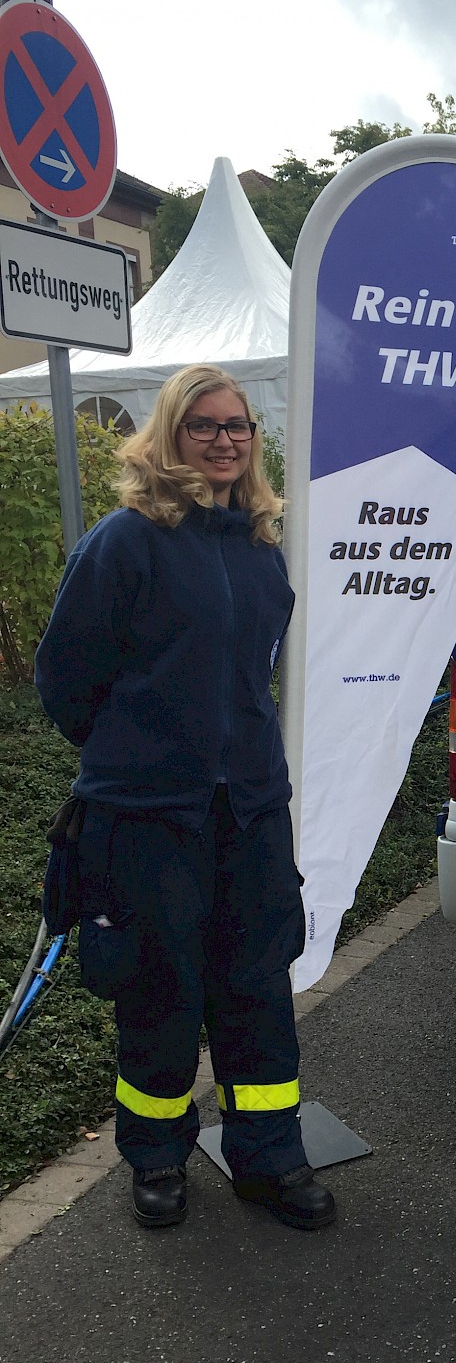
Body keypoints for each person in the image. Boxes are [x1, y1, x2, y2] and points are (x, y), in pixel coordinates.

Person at [35, 364, 335, 1233]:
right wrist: (140, 753)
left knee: (256, 988)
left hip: (248, 811)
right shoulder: (123, 542)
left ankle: (269, 1158)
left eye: (237, 425)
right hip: (146, 818)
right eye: (203, 425)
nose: (224, 440)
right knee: (159, 992)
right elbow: (66, 681)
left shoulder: (259, 542)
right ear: (169, 436)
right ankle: (158, 1159)